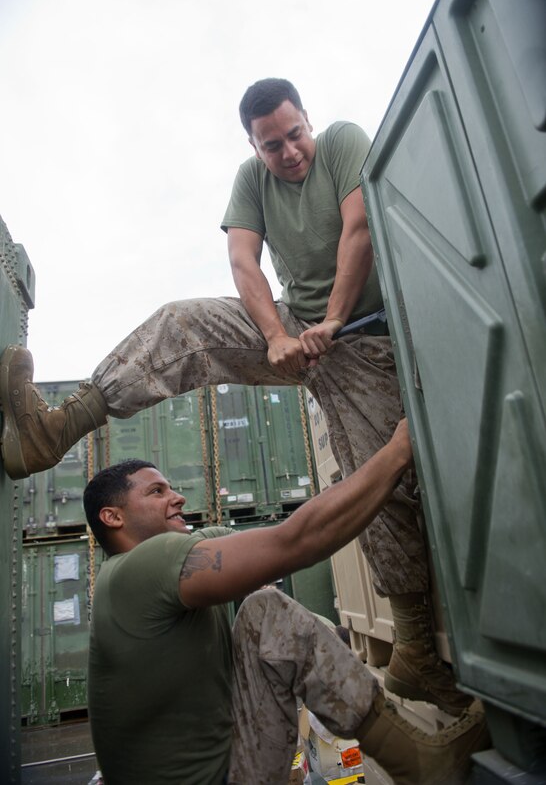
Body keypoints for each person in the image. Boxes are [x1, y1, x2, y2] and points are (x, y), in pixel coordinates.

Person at [0, 78, 467, 715]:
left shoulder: (341, 143)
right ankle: (54, 430)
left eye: (294, 134)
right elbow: (244, 262)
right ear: (253, 143)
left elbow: (358, 229)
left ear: (309, 121)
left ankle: (414, 650)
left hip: (361, 338)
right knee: (182, 323)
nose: (289, 152)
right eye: (271, 145)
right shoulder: (253, 178)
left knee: (377, 479)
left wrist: (330, 320)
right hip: (294, 330)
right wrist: (277, 333)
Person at [83, 423, 488, 785]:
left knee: (262, 607)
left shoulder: (162, 564)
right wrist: (399, 448)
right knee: (265, 612)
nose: (179, 498)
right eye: (157, 492)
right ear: (112, 517)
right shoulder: (136, 568)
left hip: (227, 766)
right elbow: (294, 541)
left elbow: (272, 539)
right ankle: (419, 764)